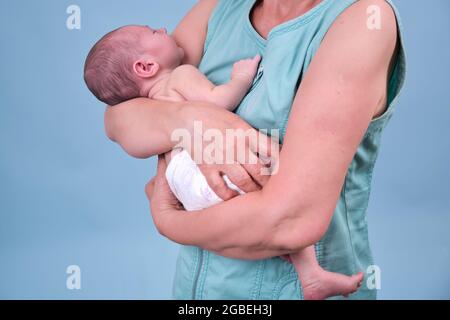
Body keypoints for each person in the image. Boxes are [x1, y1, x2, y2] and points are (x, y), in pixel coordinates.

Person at [104, 0, 406, 299]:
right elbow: (118, 118)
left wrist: (167, 219)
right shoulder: (219, 8)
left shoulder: (363, 19)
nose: (162, 31)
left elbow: (292, 222)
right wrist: (192, 119)